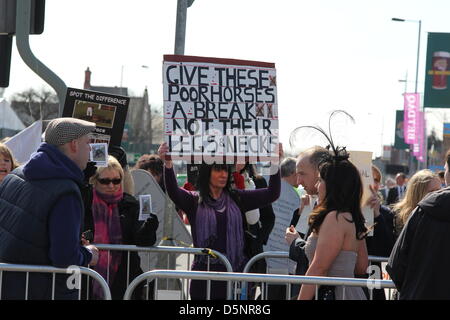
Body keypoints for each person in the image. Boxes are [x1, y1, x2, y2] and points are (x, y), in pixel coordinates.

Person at [158, 142, 281, 300]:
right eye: (217, 169)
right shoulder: (194, 201)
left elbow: (273, 194)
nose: (223, 174)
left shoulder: (237, 198)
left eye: (225, 169)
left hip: (235, 277)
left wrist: (275, 163)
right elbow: (173, 191)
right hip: (204, 278)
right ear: (206, 172)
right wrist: (167, 164)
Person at [0, 117, 99, 300]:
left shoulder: (14, 175)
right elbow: (64, 257)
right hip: (41, 289)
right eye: (88, 143)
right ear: (74, 145)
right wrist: (88, 254)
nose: (90, 149)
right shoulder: (66, 191)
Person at [295, 147, 369, 300]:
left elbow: (319, 268)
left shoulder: (335, 217)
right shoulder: (352, 217)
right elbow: (361, 265)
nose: (317, 185)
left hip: (333, 294)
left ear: (333, 185)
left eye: (321, 180)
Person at [83, 155, 159, 300]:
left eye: (116, 180)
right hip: (89, 278)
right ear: (95, 181)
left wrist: (148, 227)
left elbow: (143, 240)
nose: (111, 186)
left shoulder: (130, 204)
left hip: (124, 279)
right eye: (105, 181)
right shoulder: (85, 203)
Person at [386, 162, 450, 299]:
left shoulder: (421, 213)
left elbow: (396, 265)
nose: (439, 193)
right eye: (433, 192)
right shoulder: (414, 215)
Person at [363, 165, 395, 300]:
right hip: (348, 276)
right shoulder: (346, 211)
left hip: (373, 276)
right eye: (368, 179)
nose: (372, 184)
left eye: (376, 180)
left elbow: (387, 249)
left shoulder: (385, 214)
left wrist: (376, 215)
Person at [290, 146, 329, 237]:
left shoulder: (336, 211)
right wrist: (300, 213)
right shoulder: (310, 201)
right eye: (297, 174)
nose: (298, 182)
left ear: (320, 171)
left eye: (302, 174)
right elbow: (300, 237)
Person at [392, 169, 441, 239]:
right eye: (432, 191)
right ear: (417, 192)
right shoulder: (400, 215)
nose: (437, 194)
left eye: (439, 191)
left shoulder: (441, 212)